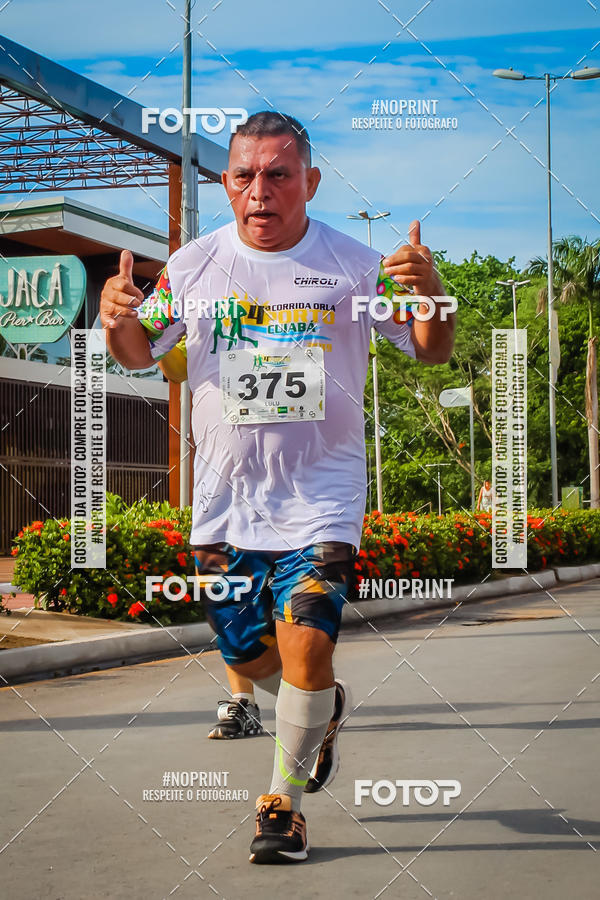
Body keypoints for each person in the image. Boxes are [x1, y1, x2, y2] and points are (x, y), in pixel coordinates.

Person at [100, 111, 455, 864]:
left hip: (321, 496)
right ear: (227, 183)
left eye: (278, 175)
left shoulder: (354, 265)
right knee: (250, 655)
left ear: (310, 182)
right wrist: (114, 318)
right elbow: (138, 353)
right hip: (225, 503)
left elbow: (429, 351)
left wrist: (430, 296)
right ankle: (319, 713)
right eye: (244, 176)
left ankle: (281, 807)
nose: (259, 191)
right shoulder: (194, 265)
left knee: (307, 646)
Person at [158, 338, 265, 739]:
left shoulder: (308, 292)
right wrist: (156, 338)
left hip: (303, 488)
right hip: (227, 490)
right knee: (231, 602)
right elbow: (174, 367)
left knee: (300, 608)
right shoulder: (211, 304)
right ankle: (243, 702)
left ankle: (313, 695)